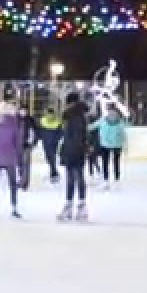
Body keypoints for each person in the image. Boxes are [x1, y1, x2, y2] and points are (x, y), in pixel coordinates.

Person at [58, 93, 90, 221]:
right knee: (76, 177)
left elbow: (73, 136)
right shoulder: (80, 116)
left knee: (74, 178)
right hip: (76, 151)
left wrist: (69, 151)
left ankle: (75, 206)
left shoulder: (72, 116)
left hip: (72, 151)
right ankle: (75, 206)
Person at [91, 106, 128, 189]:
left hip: (114, 145)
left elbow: (123, 134)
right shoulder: (104, 120)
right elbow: (93, 126)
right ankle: (107, 180)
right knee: (107, 163)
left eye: (113, 112)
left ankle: (115, 180)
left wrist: (125, 144)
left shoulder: (119, 122)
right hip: (107, 145)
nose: (111, 113)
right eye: (110, 111)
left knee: (114, 163)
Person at [36, 106, 63, 185]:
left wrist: (39, 138)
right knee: (52, 157)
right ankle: (54, 171)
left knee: (49, 157)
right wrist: (56, 139)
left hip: (46, 142)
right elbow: (61, 132)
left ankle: (53, 172)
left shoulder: (42, 121)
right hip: (54, 143)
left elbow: (39, 131)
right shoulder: (57, 122)